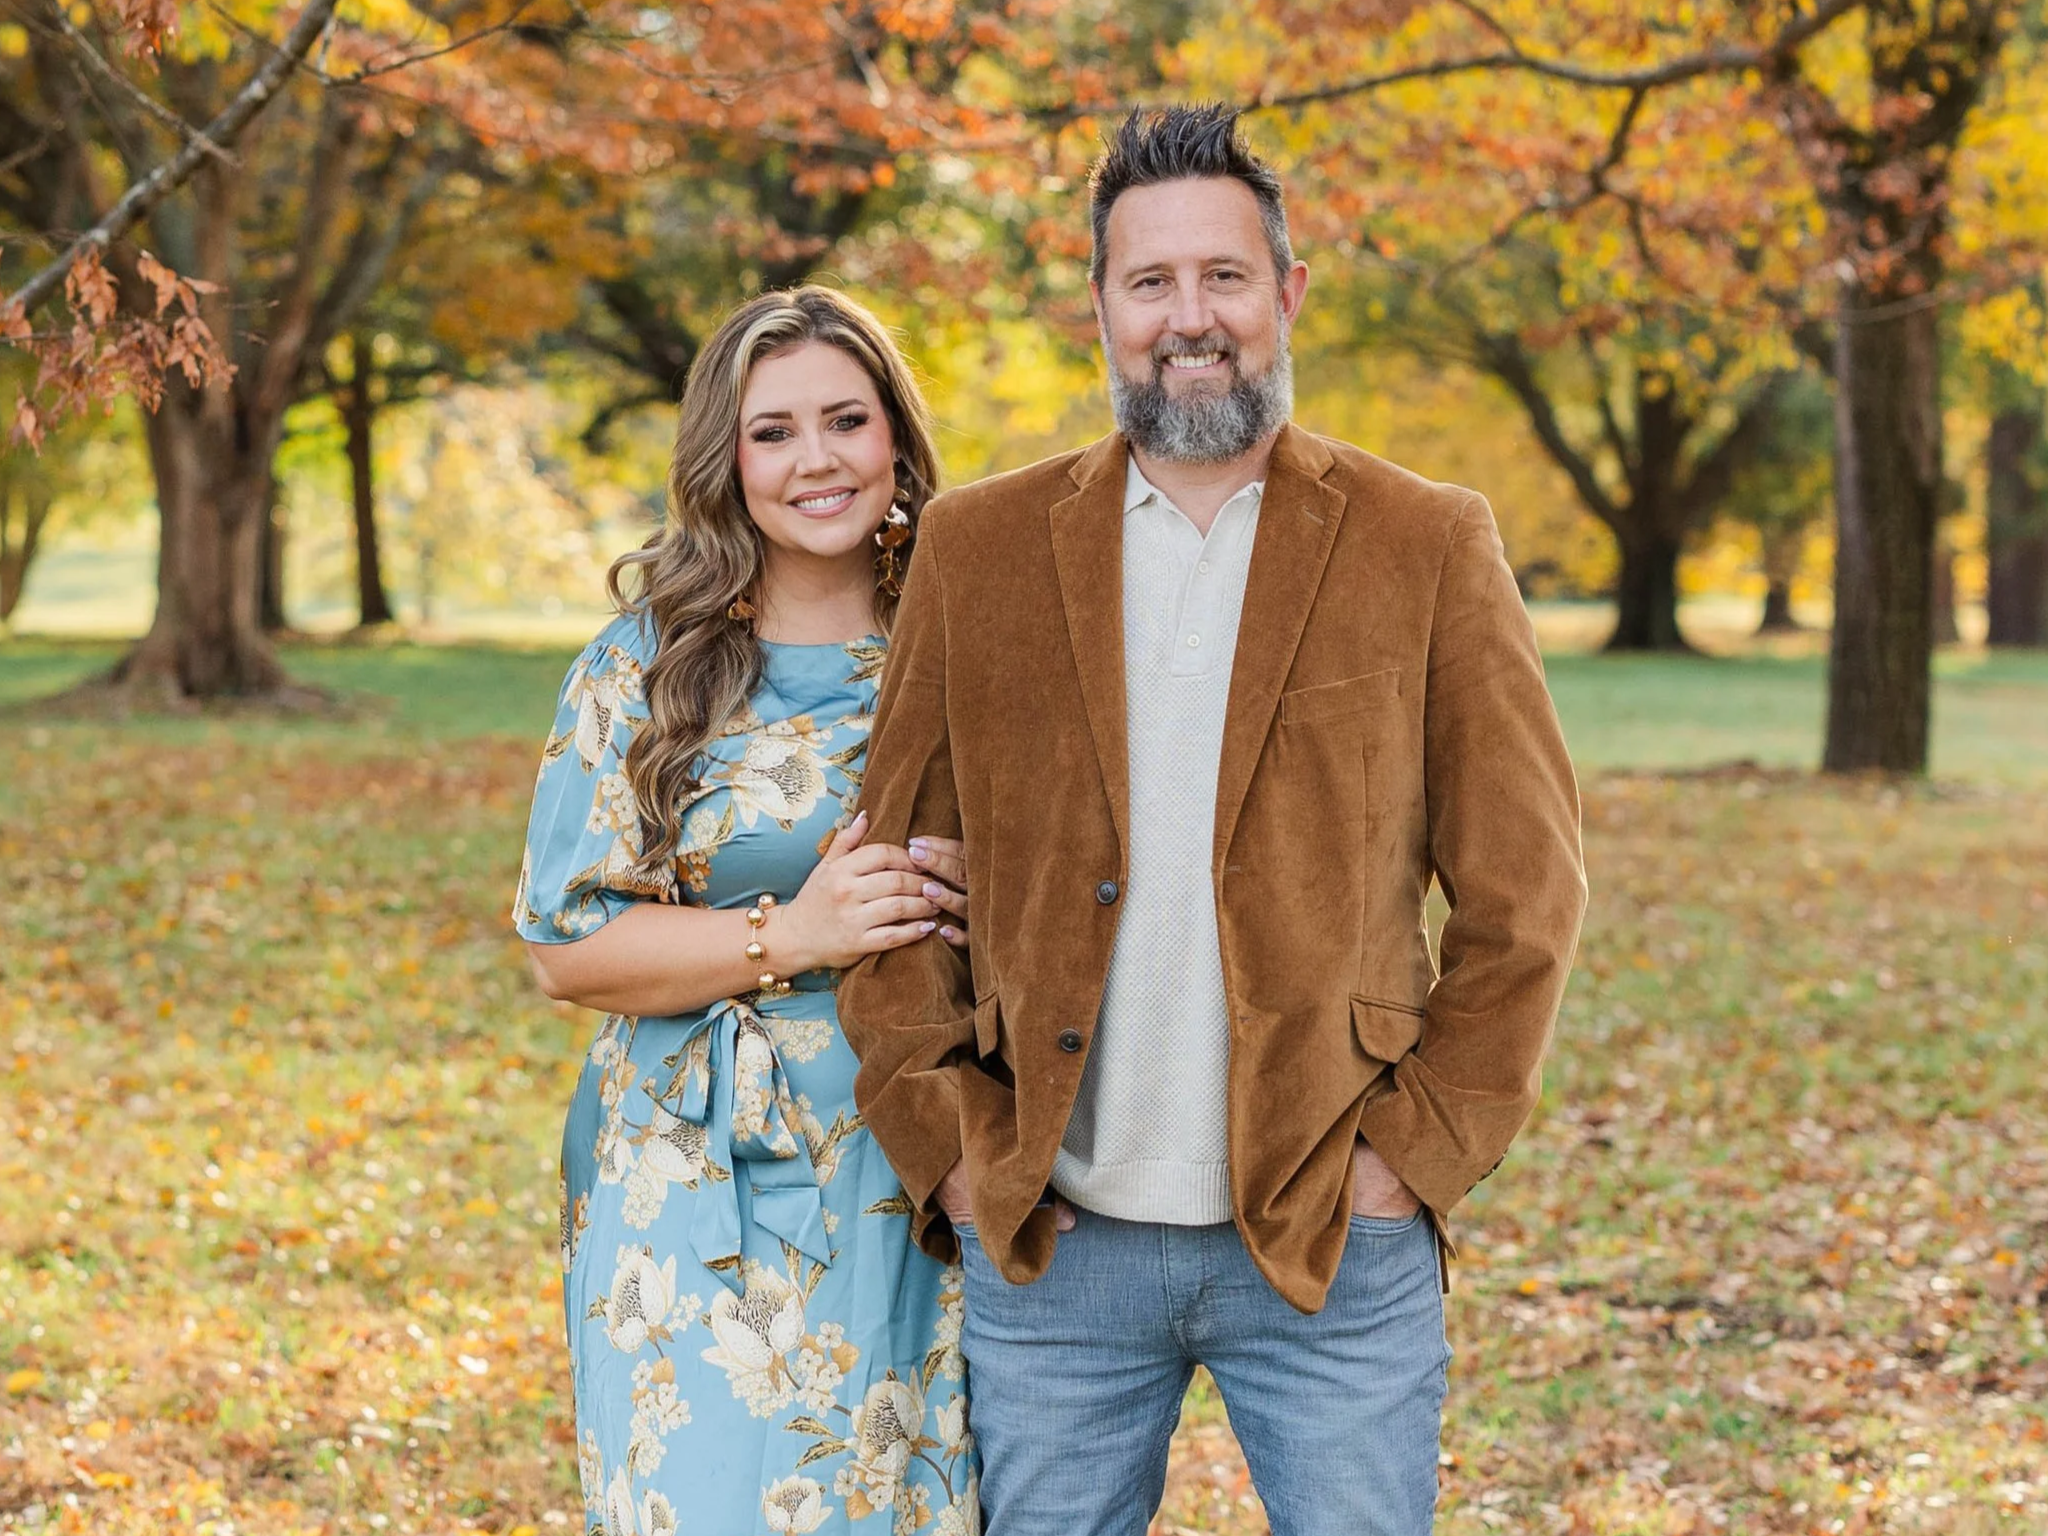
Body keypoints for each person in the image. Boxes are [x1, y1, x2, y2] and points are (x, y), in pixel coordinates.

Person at [839, 106, 1588, 1536]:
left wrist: (1415, 1154)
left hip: (1328, 1239)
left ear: (1286, 293)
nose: (1191, 317)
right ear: (1101, 308)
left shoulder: (1423, 541)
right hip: (1053, 1247)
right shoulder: (977, 550)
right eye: (1151, 282)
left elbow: (1526, 894)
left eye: (1224, 276)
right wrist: (954, 1154)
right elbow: (887, 886)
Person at [514, 287, 980, 1536]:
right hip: (692, 1166)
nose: (815, 459)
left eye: (845, 420)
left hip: (922, 1154)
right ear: (725, 459)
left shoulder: (972, 643)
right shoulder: (646, 660)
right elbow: (565, 946)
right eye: (772, 432)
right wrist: (797, 934)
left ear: (896, 437)